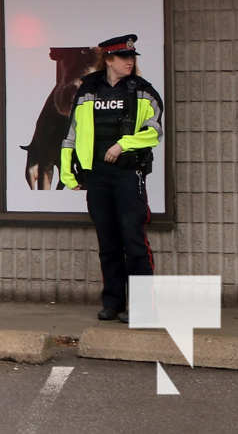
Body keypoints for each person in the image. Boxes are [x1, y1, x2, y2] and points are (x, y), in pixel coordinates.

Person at [60, 34, 164, 323]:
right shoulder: (87, 91)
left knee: (133, 241)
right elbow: (71, 135)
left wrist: (123, 145)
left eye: (132, 57)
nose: (130, 61)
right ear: (107, 59)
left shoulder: (143, 91)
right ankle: (113, 303)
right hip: (97, 177)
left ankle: (143, 309)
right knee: (108, 243)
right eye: (123, 57)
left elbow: (154, 131)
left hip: (129, 174)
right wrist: (70, 175)